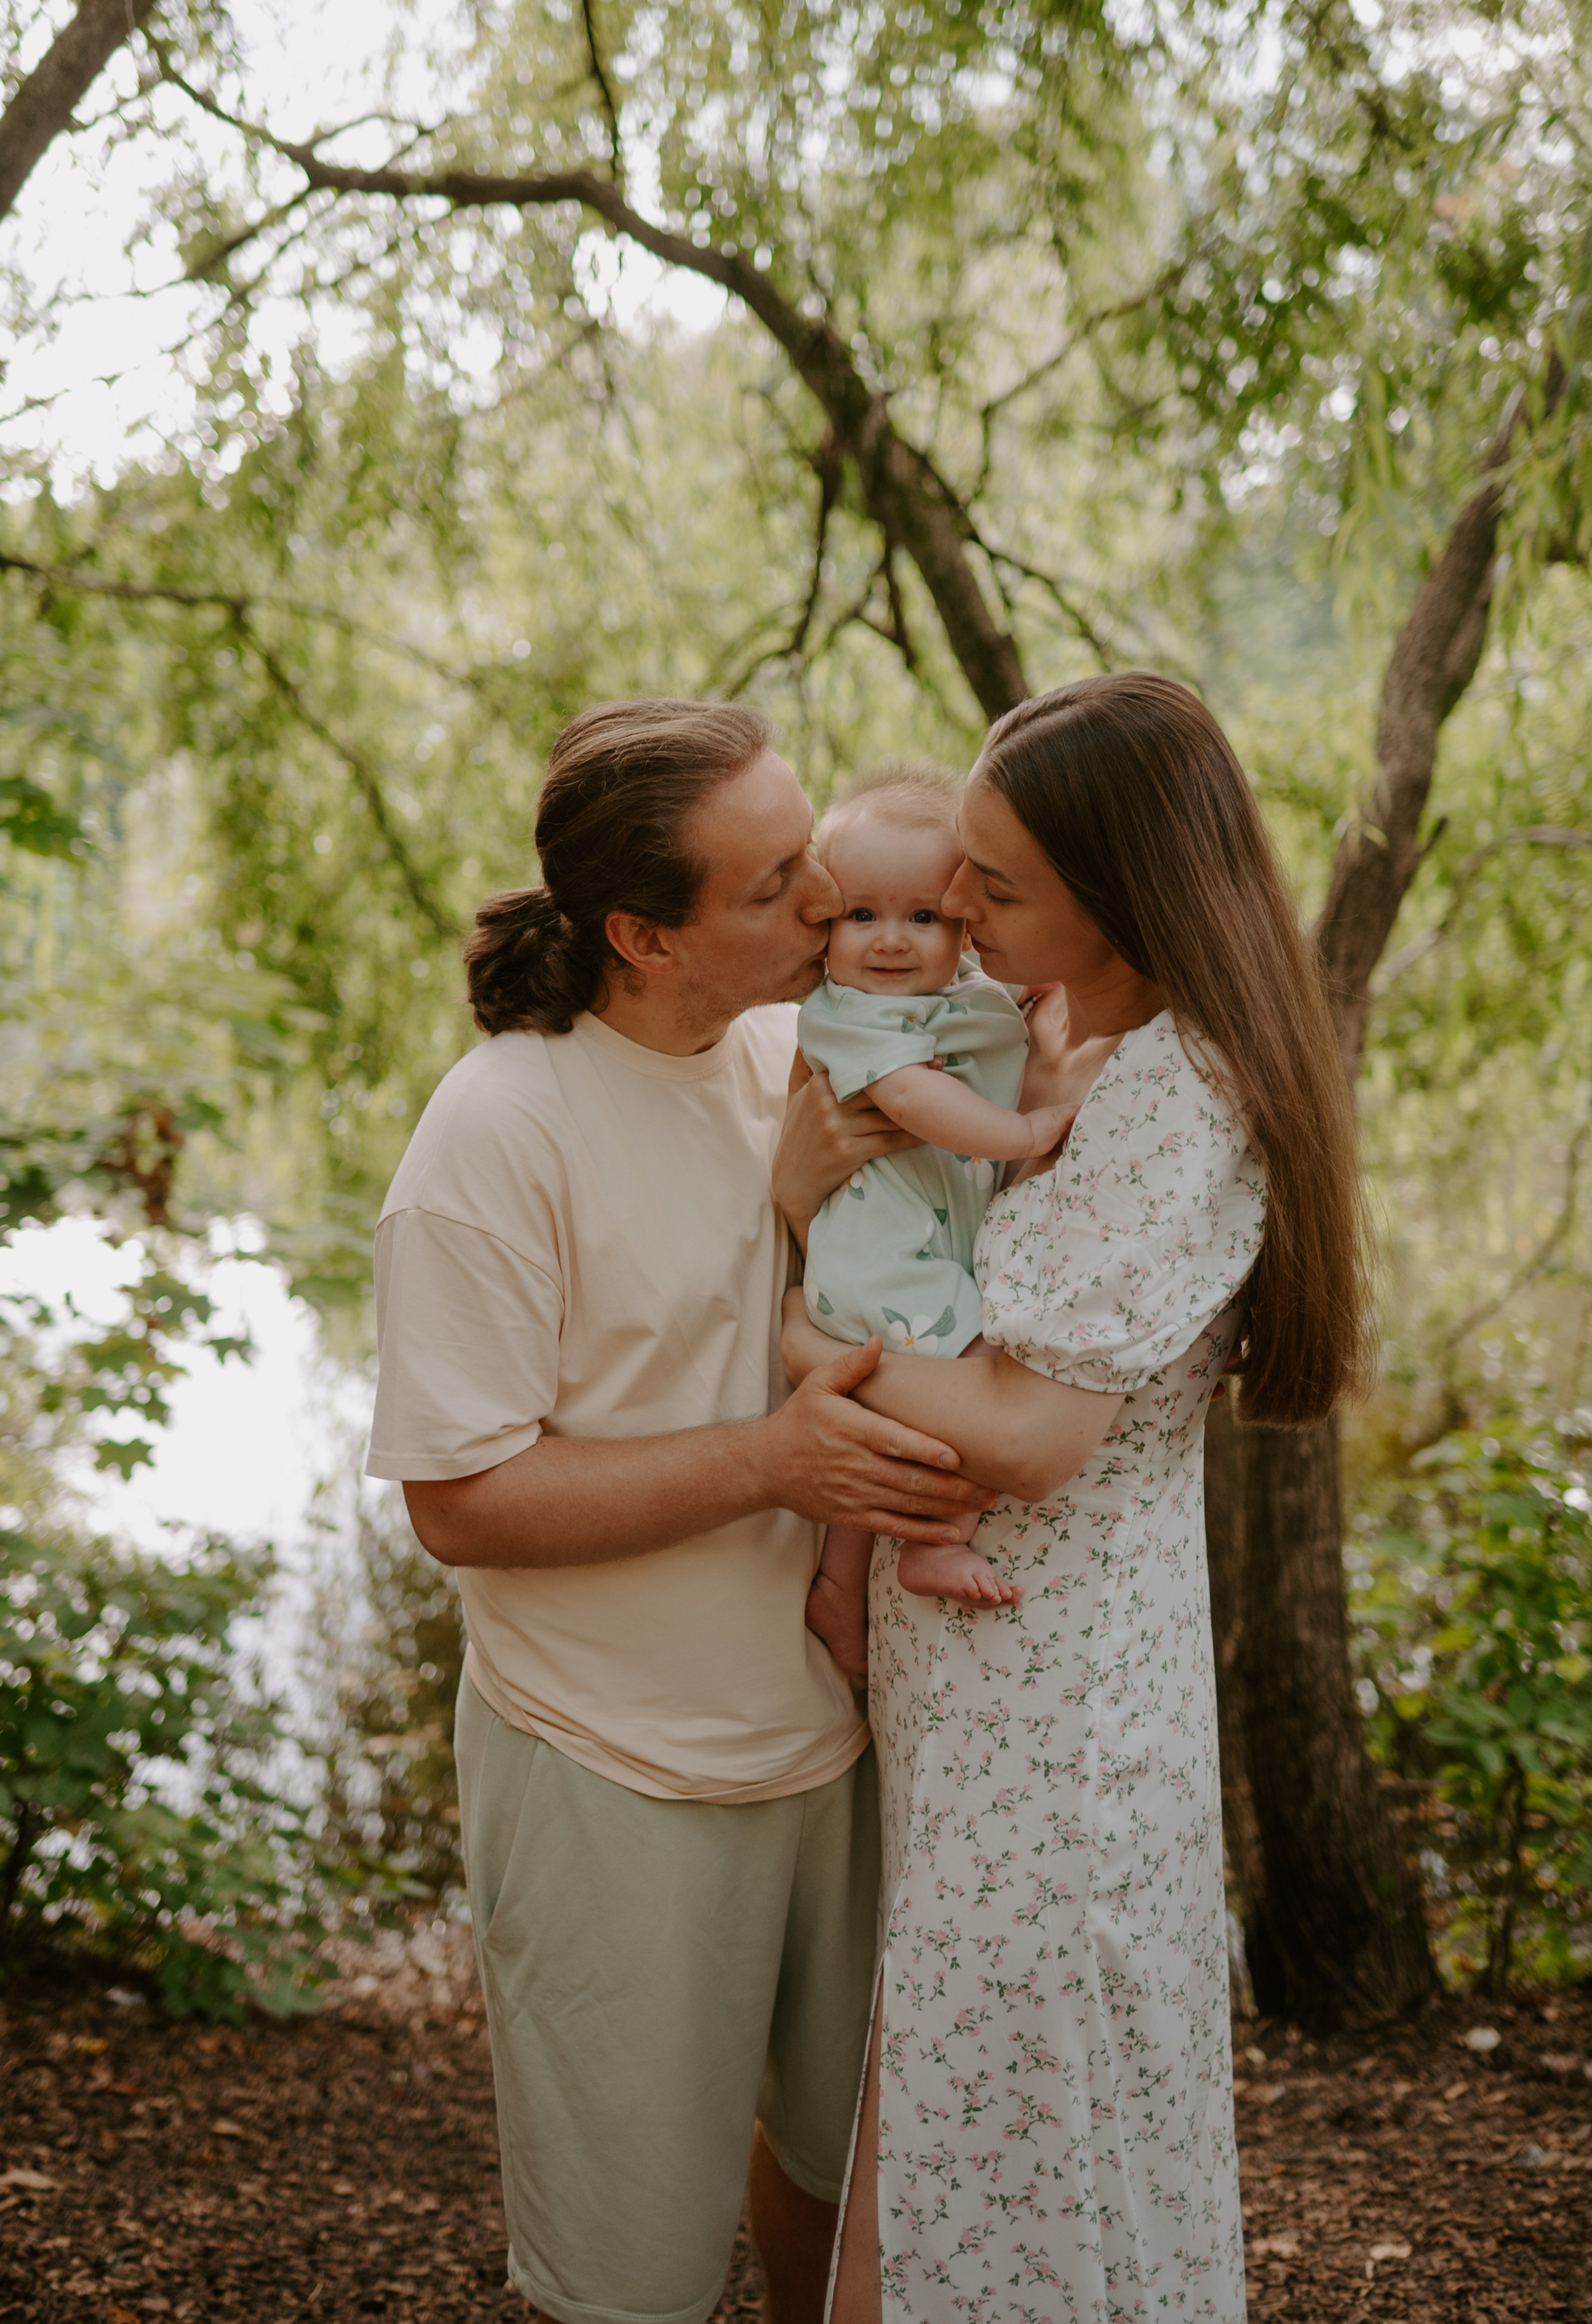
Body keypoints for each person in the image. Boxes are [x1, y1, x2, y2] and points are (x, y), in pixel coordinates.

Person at [364, 699, 994, 2324]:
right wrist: (768, 1462)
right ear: (643, 933)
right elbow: (459, 1497)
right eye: (780, 877)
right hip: (611, 1765)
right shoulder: (496, 1134)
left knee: (847, 2182)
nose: (828, 896)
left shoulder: (808, 1048)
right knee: (629, 2273)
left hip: (839, 1736)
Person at [776, 674, 1370, 2323]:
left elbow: (1027, 1439)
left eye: (998, 882)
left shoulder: (1182, 1102)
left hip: (1062, 1713)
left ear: (1122, 893)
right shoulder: (1088, 1052)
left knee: (1019, 2148)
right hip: (997, 1704)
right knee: (966, 2135)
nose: (953, 908)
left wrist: (797, 1335)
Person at [797, 768, 1077, 1677]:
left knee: (877, 1440)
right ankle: (934, 1538)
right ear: (823, 926)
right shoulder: (846, 1017)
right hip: (885, 1259)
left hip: (922, 1251)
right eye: (860, 916)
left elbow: (1006, 1017)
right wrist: (1027, 1131)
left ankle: (841, 1581)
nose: (889, 942)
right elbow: (919, 1102)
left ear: (963, 923)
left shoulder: (966, 997)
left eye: (922, 917)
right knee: (983, 1385)